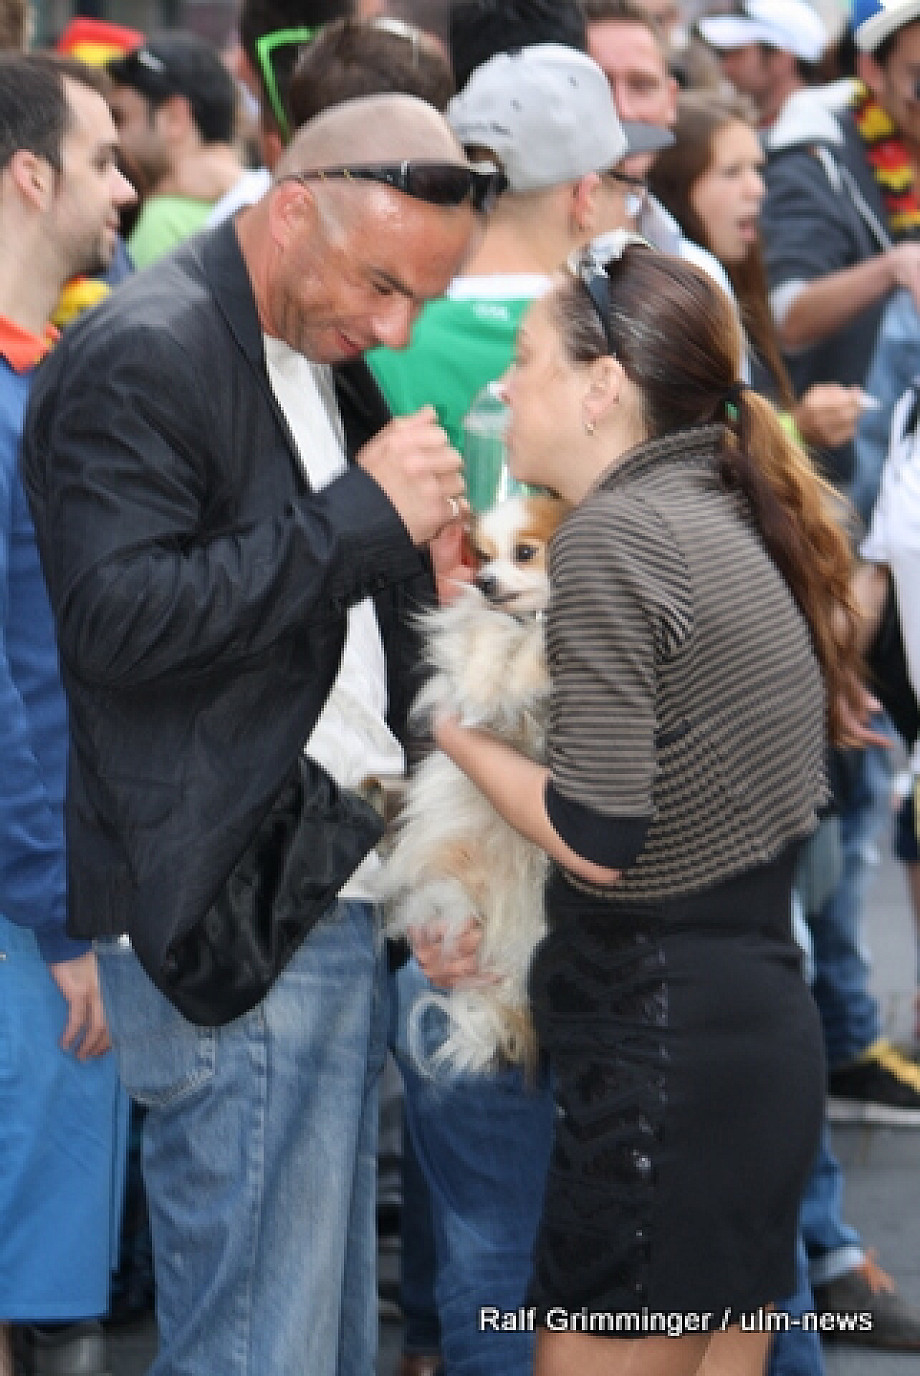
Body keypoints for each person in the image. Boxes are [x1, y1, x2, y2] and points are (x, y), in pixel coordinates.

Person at [21, 93, 494, 1376]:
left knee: (313, 1343)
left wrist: (416, 571)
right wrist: (360, 519)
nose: (396, 329)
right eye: (382, 285)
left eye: (420, 300)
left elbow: (323, 617)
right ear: (292, 211)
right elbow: (114, 623)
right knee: (260, 1350)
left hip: (317, 889)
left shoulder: (308, 335)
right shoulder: (143, 351)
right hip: (236, 912)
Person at [420, 240, 861, 1376]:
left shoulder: (616, 533)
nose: (502, 384)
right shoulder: (724, 503)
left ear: (601, 384)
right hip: (751, 1037)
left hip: (659, 1062)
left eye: (524, 358)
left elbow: (599, 833)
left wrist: (458, 736)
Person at [370, 44, 668, 1376]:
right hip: (627, 898)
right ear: (589, 191)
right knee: (654, 1255)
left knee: (485, 1239)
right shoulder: (639, 339)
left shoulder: (377, 335)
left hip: (455, 849)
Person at [0, 52, 135, 1376]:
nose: (125, 186)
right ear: (31, 177)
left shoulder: (47, 378)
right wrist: (58, 917)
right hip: (27, 918)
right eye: (102, 158)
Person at [647, 92, 863, 467]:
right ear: (677, 183)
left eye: (757, 169)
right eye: (732, 172)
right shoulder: (666, 300)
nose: (757, 188)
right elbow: (704, 449)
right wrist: (799, 428)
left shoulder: (739, 277)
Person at [105, 31, 244, 268]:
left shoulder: (160, 222)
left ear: (175, 118)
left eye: (119, 118)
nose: (112, 137)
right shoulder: (267, 194)